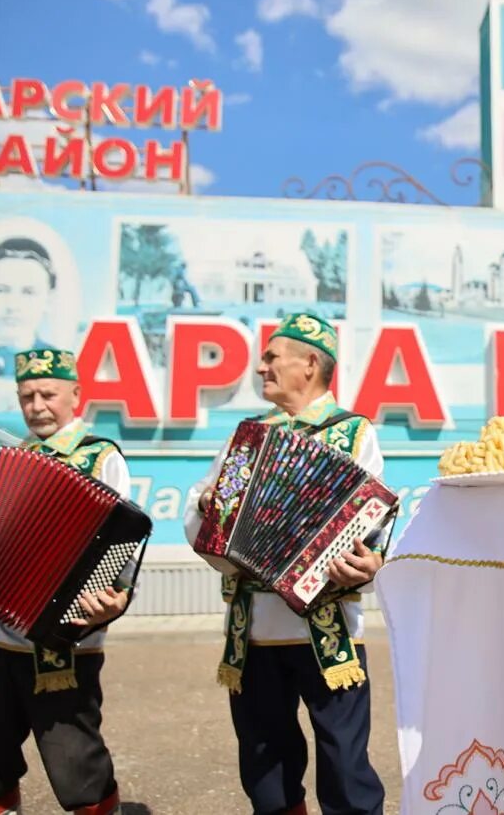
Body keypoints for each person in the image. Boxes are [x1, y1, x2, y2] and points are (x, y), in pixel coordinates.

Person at [185, 313, 387, 815]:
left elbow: (375, 521)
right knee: (265, 764)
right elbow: (204, 525)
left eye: (272, 357)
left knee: (345, 767)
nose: (260, 367)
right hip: (252, 631)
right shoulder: (248, 437)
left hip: (326, 630)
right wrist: (209, 510)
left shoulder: (352, 433)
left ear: (310, 364)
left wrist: (373, 560)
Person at [0, 348, 133, 815]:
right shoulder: (8, 460)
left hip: (61, 643)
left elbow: (122, 543)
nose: (36, 405)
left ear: (76, 394)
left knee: (76, 764)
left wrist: (111, 599)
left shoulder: (100, 457)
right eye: (27, 395)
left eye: (48, 394)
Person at [0, 238, 55, 377]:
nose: (12, 306)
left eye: (28, 292)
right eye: (1, 290)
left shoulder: (57, 362)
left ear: (49, 300)